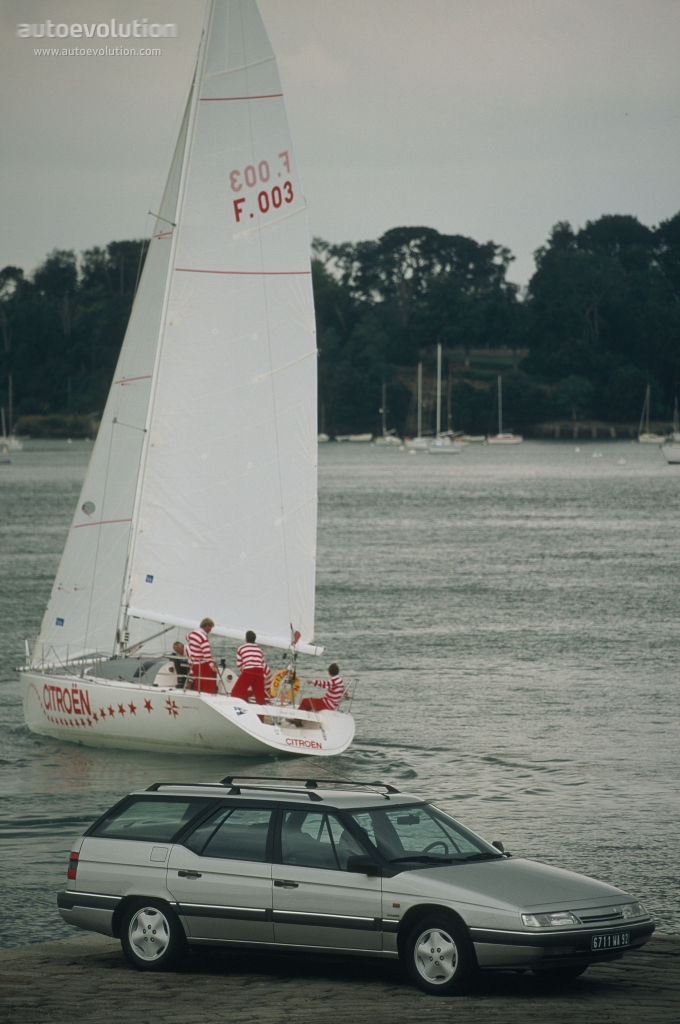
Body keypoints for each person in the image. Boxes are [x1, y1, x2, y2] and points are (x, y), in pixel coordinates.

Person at [231, 630, 271, 705]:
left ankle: (236, 710)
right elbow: (262, 663)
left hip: (248, 671)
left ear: (246, 639)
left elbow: (239, 664)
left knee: (236, 692)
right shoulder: (259, 649)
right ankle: (261, 716)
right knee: (260, 696)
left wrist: (245, 673)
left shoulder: (241, 648)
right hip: (259, 672)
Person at [185, 618, 218, 694]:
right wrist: (212, 666)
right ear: (207, 626)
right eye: (210, 627)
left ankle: (198, 695)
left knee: (199, 683)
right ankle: (211, 698)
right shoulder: (203, 637)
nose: (210, 630)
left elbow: (186, 638)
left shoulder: (192, 633)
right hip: (202, 664)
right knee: (208, 685)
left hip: (194, 664)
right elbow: (206, 653)